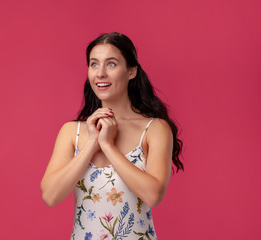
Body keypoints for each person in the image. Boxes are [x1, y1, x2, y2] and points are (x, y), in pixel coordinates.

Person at [40, 32, 184, 240]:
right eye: (94, 64)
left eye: (111, 64)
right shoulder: (73, 132)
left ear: (132, 71)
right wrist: (92, 144)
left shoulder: (154, 129)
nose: (100, 74)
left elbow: (153, 195)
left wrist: (108, 146)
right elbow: (50, 196)